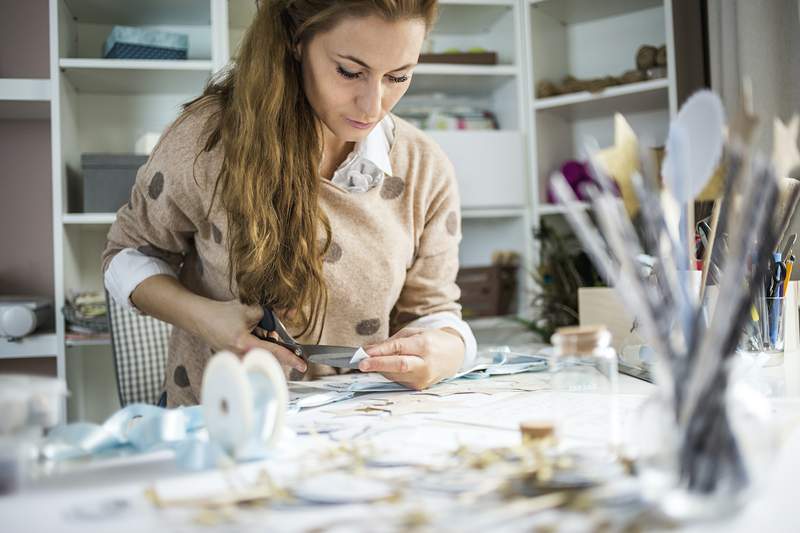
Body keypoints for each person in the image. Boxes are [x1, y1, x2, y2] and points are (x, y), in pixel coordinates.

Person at [102, 0, 476, 407]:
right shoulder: (207, 140)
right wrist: (208, 319)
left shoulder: (424, 167)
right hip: (222, 422)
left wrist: (450, 349)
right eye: (350, 72)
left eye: (399, 77)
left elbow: (433, 311)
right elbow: (125, 256)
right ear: (297, 42)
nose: (373, 105)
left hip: (362, 427)